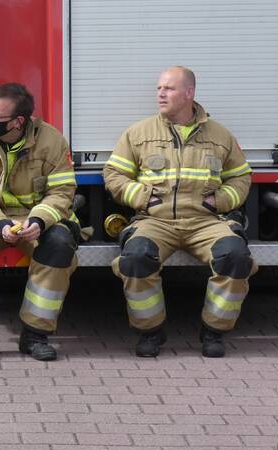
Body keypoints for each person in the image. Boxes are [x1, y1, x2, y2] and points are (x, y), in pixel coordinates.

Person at [104, 66, 254, 358]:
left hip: (205, 222)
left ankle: (214, 331)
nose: (161, 94)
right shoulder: (138, 133)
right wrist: (143, 198)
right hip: (155, 220)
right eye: (159, 88)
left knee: (235, 256)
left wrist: (220, 201)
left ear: (189, 93)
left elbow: (241, 177)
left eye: (169, 89)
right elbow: (113, 174)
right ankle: (150, 331)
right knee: (135, 258)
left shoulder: (220, 135)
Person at [0, 83, 80, 362]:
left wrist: (40, 220)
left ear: (18, 122)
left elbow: (62, 191)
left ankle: (35, 335)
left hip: (35, 218)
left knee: (59, 247)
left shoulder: (52, 141)